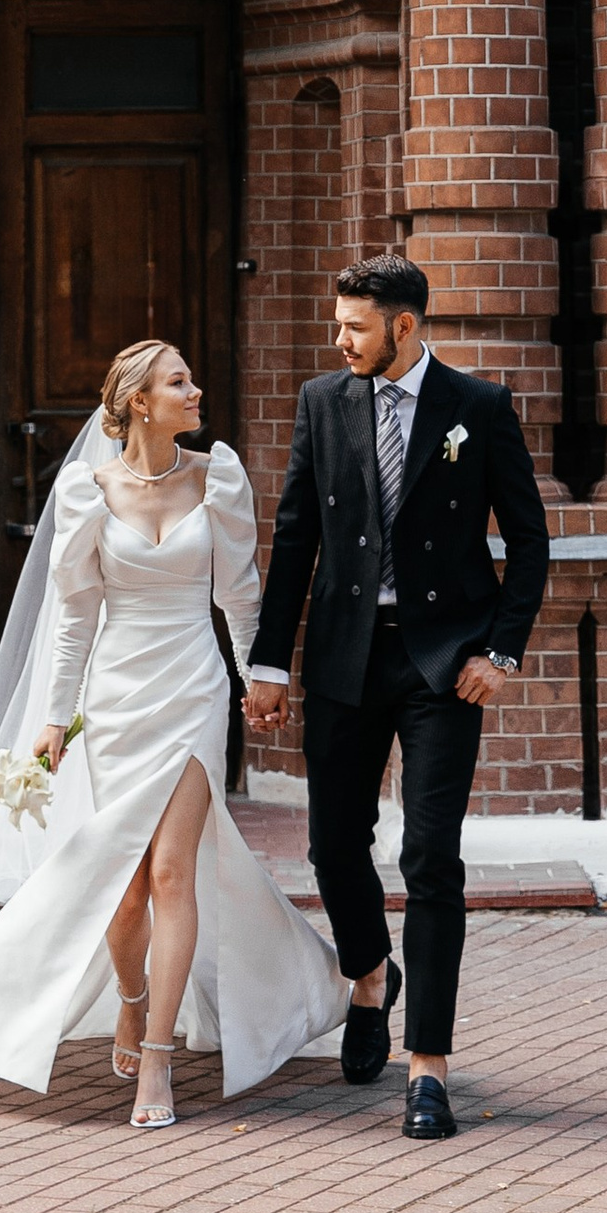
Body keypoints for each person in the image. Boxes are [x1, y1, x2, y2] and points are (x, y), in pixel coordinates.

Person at [0, 338, 345, 1126]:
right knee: (124, 884)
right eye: (179, 382)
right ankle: (130, 999)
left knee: (173, 873)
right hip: (117, 692)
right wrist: (53, 720)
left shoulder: (217, 478)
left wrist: (257, 678)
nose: (196, 391)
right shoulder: (85, 492)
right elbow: (72, 620)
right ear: (139, 401)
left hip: (193, 688)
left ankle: (159, 1059)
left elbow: (240, 596)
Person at [244, 250, 551, 1141]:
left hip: (442, 663)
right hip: (343, 656)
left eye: (354, 326)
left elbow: (528, 542)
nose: (339, 339)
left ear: (404, 327)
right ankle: (371, 974)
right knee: (333, 846)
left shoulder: (478, 409)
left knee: (430, 859)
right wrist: (269, 666)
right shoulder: (322, 403)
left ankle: (429, 1069)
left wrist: (503, 651)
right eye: (339, 324)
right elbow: (296, 538)